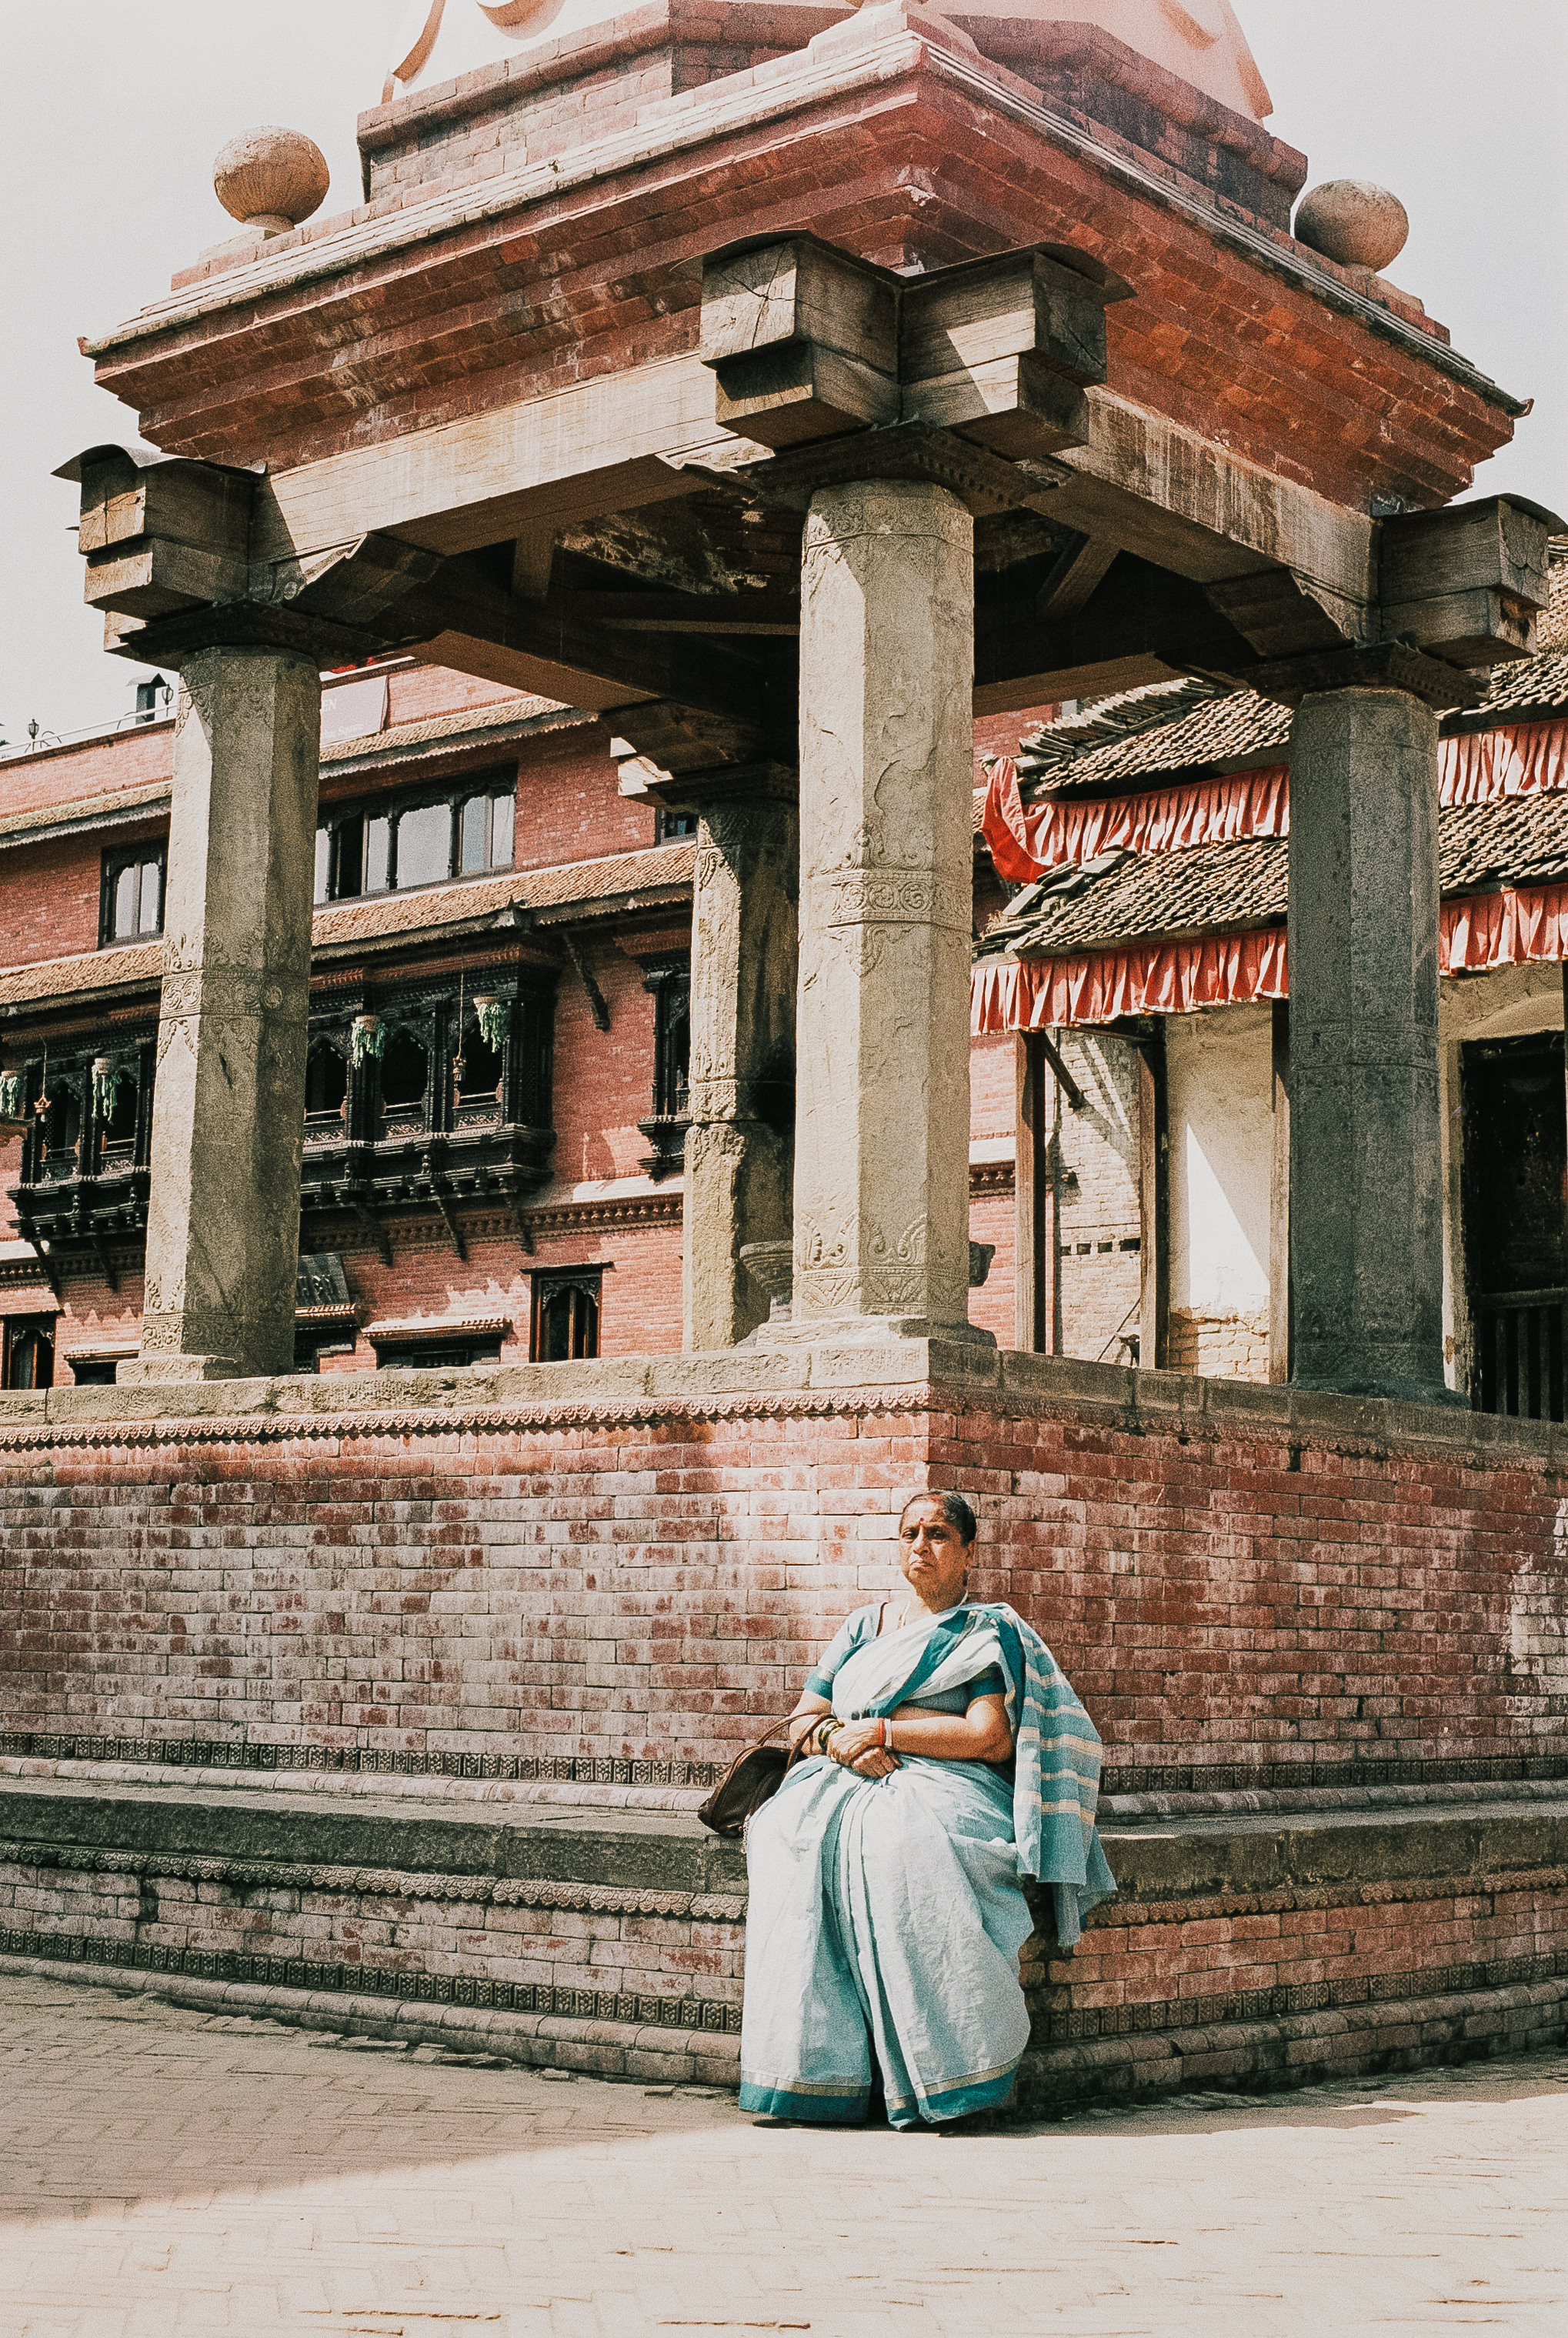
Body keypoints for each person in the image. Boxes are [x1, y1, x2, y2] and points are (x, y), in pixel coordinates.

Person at [739, 1490, 1115, 2129]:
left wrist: (884, 1731)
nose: (921, 1544)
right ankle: (815, 2073)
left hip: (949, 1780)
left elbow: (987, 1734)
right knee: (782, 1833)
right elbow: (807, 1716)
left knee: (911, 1845)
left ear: (969, 1550)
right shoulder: (865, 1626)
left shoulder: (983, 1631)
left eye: (938, 1533)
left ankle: (953, 2072)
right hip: (842, 1773)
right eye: (911, 1532)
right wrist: (843, 1742)